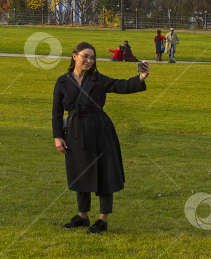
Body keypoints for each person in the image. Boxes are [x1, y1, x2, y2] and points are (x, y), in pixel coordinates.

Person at [52, 42, 149, 235]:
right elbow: (56, 111)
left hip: (100, 130)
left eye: (92, 57)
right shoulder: (62, 81)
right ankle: (82, 216)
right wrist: (58, 137)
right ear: (74, 56)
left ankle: (102, 220)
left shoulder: (98, 80)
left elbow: (121, 85)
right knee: (80, 172)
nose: (88, 60)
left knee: (105, 173)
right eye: (85, 56)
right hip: (75, 132)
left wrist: (141, 77)